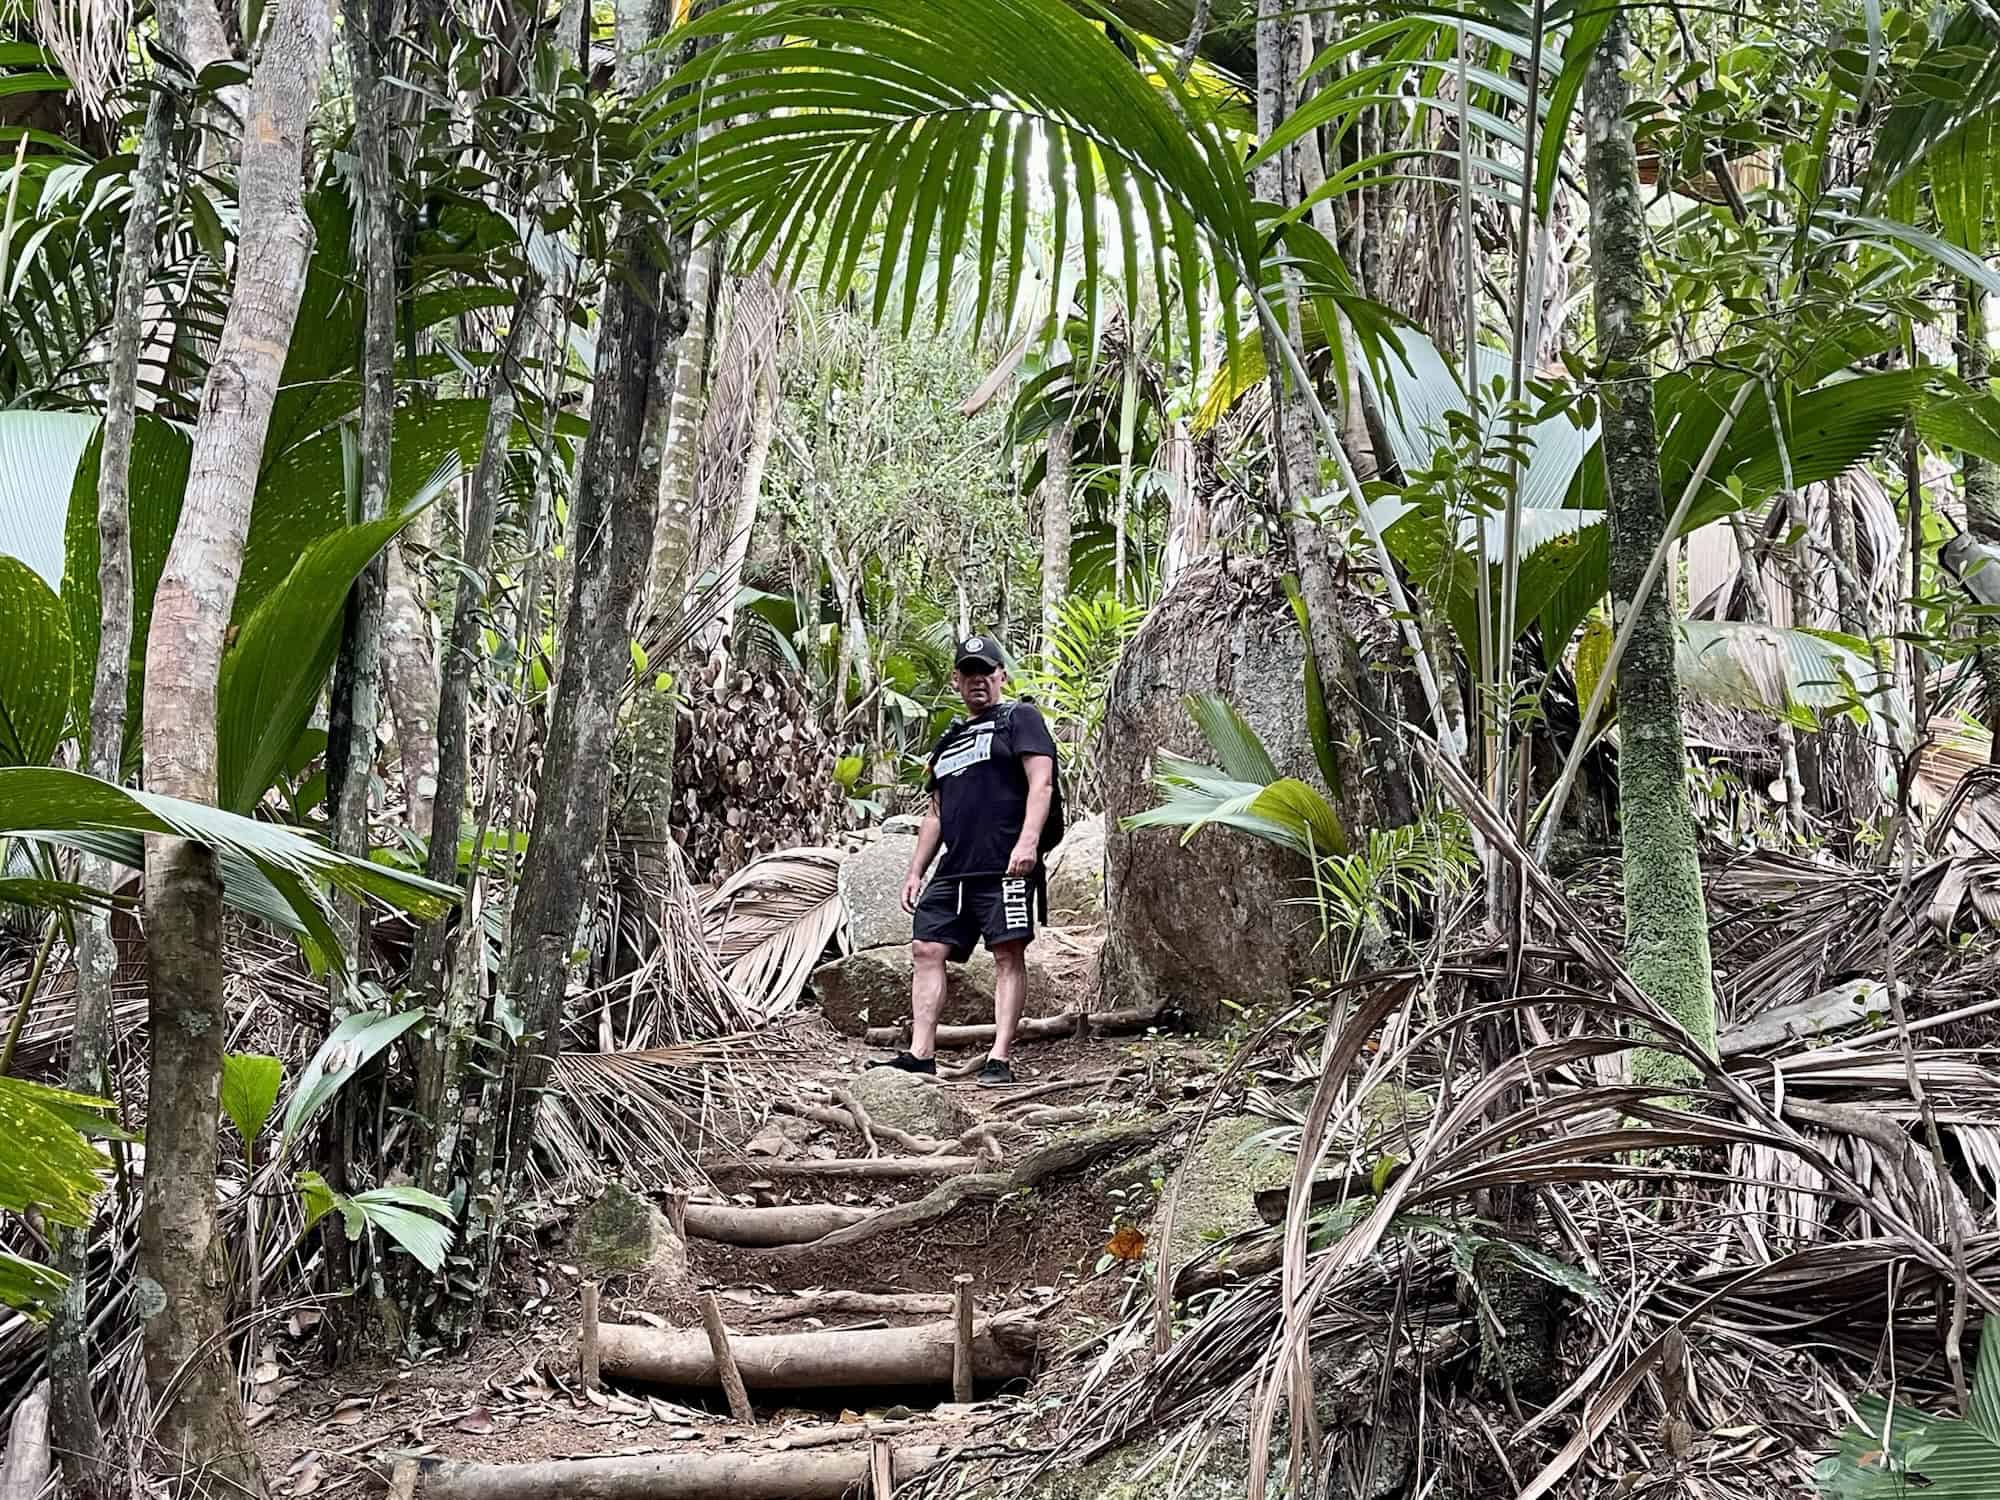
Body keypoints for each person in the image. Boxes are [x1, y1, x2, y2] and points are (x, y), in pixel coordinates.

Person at [873, 633, 1057, 1087]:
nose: (979, 680)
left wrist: (1028, 841)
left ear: (1002, 676)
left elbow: (1042, 784)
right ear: (957, 680)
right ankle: (921, 1053)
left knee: (1007, 953)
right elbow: (935, 813)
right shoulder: (949, 740)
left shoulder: (1021, 718)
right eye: (969, 672)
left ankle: (999, 1056)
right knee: (925, 948)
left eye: (987, 671)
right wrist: (916, 869)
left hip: (1005, 864)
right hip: (955, 868)